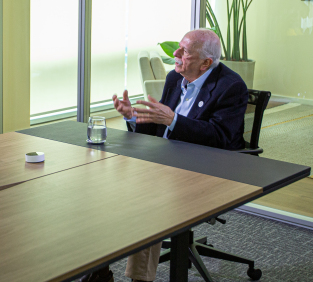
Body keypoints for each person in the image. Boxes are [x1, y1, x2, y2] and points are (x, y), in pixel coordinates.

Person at [85, 28, 248, 282]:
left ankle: (140, 279)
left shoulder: (231, 87)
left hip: (202, 169)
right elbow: (157, 126)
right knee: (102, 186)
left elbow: (220, 137)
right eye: (179, 48)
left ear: (206, 63)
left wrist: (174, 119)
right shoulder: (175, 78)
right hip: (161, 162)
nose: (176, 54)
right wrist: (133, 116)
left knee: (149, 202)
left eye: (185, 51)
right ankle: (99, 271)